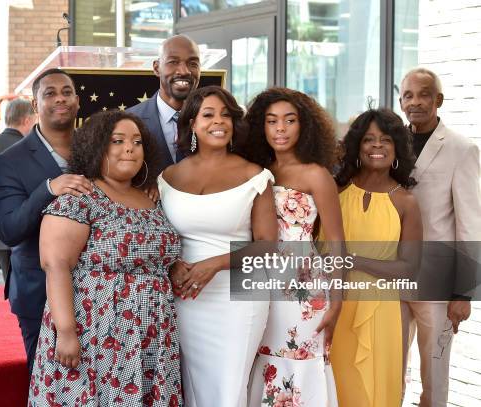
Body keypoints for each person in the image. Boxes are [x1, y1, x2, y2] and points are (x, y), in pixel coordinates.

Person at [28, 110, 183, 406]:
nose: (130, 148)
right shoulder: (80, 196)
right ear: (96, 146)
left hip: (152, 333)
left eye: (137, 142)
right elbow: (56, 265)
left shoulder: (150, 199)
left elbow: (154, 256)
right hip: (96, 333)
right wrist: (66, 331)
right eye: (118, 141)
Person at [157, 85, 279, 406]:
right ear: (192, 124)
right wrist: (171, 264)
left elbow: (268, 246)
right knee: (195, 386)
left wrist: (214, 264)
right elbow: (158, 236)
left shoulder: (256, 176)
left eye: (226, 114)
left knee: (228, 387)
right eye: (208, 114)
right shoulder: (167, 177)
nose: (219, 121)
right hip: (186, 295)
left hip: (239, 295)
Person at [243, 87, 344, 406]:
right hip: (259, 281)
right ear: (262, 127)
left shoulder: (317, 175)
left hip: (303, 289)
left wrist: (338, 300)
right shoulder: (255, 170)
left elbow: (337, 242)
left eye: (289, 120)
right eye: (272, 121)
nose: (280, 129)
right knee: (260, 359)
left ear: (305, 126)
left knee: (299, 358)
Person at [0, 68, 92, 374]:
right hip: (39, 295)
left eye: (67, 92)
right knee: (48, 386)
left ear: (77, 100)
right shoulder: (10, 160)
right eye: (50, 93)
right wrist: (48, 189)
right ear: (35, 105)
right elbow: (9, 231)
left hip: (99, 290)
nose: (60, 99)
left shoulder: (97, 150)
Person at [399, 67, 481, 406]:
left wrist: (463, 292)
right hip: (391, 276)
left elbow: (471, 224)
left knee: (434, 375)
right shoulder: (388, 146)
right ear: (401, 101)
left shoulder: (461, 149)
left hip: (438, 282)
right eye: (408, 95)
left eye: (424, 94)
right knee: (389, 368)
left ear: (439, 100)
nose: (415, 102)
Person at [330, 108, 422, 406]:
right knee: (337, 385)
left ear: (397, 147)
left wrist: (354, 260)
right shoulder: (336, 189)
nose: (377, 146)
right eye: (369, 139)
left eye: (385, 140)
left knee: (376, 391)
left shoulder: (405, 202)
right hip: (334, 303)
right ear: (358, 145)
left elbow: (408, 268)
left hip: (381, 310)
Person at [0, 98, 35, 286]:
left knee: (7, 278)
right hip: (27, 224)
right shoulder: (32, 146)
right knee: (27, 281)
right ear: (27, 120)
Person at [127, 34, 201, 171]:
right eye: (173, 62)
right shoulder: (129, 120)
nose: (184, 71)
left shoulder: (212, 120)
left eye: (193, 64)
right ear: (156, 68)